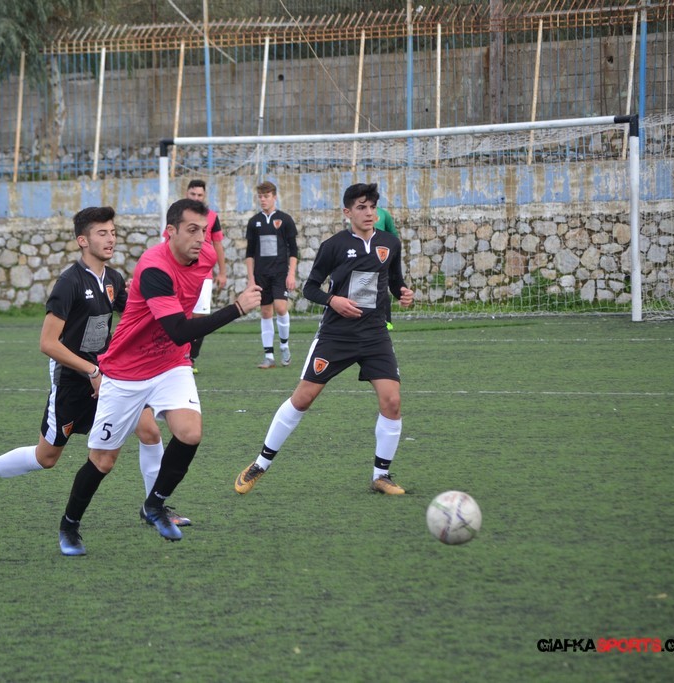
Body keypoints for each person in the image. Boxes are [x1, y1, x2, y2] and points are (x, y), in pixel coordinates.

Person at [57, 198, 262, 556]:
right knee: (103, 461)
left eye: (204, 231)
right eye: (192, 230)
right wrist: (236, 308)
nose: (201, 239)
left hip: (170, 363)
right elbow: (179, 330)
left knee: (190, 432)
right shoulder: (154, 268)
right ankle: (69, 525)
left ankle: (154, 504)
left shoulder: (206, 256)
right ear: (170, 232)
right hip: (126, 371)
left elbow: (179, 335)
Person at [0, 207, 190, 525]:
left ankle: (155, 508)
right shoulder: (69, 282)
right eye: (102, 233)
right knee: (46, 457)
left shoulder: (113, 279)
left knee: (149, 431)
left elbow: (137, 315)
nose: (111, 239)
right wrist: (90, 371)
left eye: (113, 232)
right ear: (83, 240)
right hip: (72, 379)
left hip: (108, 376)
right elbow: (48, 343)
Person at [235, 182, 415, 497]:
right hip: (336, 335)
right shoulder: (333, 246)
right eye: (361, 207)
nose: (369, 212)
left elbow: (395, 281)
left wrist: (404, 294)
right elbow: (311, 288)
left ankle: (381, 475)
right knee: (303, 398)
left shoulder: (390, 243)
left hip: (374, 335)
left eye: (372, 207)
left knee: (392, 401)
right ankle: (260, 463)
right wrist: (334, 301)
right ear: (347, 212)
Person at [244, 180, 298, 369]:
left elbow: (294, 250)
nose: (263, 200)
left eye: (266, 196)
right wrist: (251, 278)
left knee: (281, 308)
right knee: (266, 312)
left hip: (280, 273)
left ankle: (284, 346)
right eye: (260, 196)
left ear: (274, 197)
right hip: (261, 274)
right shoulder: (254, 222)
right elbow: (249, 253)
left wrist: (291, 274)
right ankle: (269, 356)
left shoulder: (285, 220)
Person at [182, 179, 228, 374]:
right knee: (181, 315)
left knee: (199, 317)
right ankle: (178, 358)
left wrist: (222, 272)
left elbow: (217, 245)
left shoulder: (212, 216)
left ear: (204, 196)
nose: (196, 198)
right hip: (181, 273)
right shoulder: (178, 215)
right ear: (187, 193)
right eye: (193, 194)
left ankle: (191, 358)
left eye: (199, 195)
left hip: (204, 275)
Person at [375, 204, 398, 330]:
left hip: (381, 256)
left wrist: (393, 252)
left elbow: (393, 234)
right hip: (363, 257)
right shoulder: (358, 214)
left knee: (382, 288)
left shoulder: (383, 214)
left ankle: (387, 321)